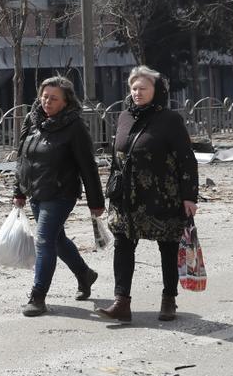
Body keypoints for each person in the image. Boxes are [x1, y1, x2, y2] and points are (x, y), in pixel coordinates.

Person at [97, 66, 199, 323]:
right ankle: (122, 302)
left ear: (157, 91)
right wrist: (111, 189)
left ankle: (169, 299)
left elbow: (187, 160)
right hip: (126, 198)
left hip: (162, 195)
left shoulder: (170, 120)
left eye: (143, 88)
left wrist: (190, 197)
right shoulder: (123, 117)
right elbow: (116, 157)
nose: (137, 93)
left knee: (167, 246)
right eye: (133, 88)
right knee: (123, 244)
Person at [13, 76, 106, 317]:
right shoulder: (32, 120)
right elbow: (22, 157)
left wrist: (96, 202)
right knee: (56, 240)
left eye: (54, 98)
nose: (47, 102)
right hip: (35, 191)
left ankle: (38, 296)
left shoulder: (74, 126)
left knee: (44, 241)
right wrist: (18, 190)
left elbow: (88, 166)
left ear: (66, 102)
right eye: (44, 96)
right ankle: (85, 274)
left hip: (60, 193)